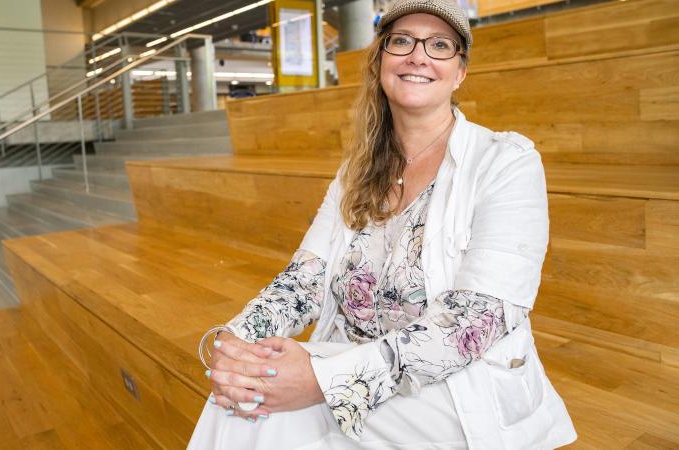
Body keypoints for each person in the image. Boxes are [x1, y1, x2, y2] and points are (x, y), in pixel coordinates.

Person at [188, 0, 578, 448]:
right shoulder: (355, 171)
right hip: (349, 360)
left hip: (454, 388)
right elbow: (304, 281)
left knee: (262, 406)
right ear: (380, 61)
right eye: (401, 41)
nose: (418, 56)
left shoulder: (506, 162)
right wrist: (235, 342)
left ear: (461, 71)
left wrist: (325, 381)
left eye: (439, 45)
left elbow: (475, 321)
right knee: (250, 389)